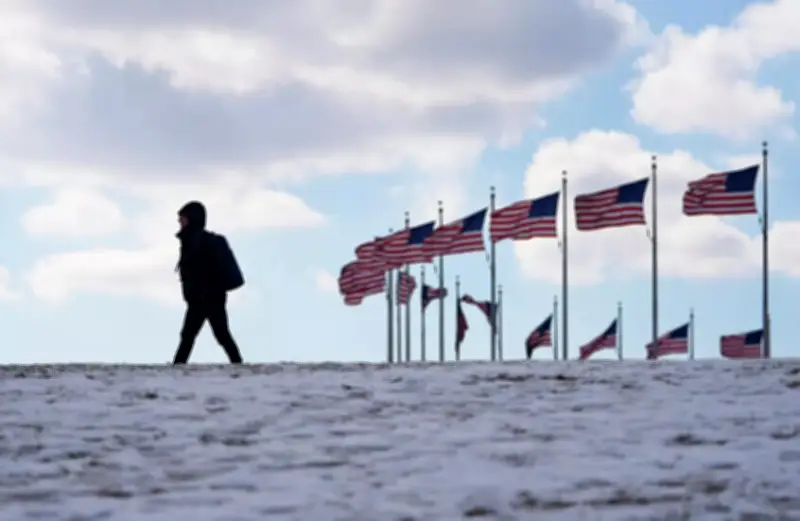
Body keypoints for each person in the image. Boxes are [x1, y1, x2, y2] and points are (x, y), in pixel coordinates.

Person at [172, 201, 244, 364]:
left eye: (183, 218)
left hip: (208, 297)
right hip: (203, 297)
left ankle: (178, 366)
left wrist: (204, 289)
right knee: (215, 334)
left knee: (207, 334)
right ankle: (237, 363)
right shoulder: (190, 241)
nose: (180, 222)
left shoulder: (199, 241)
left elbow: (205, 269)